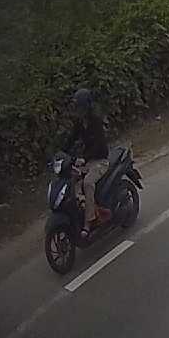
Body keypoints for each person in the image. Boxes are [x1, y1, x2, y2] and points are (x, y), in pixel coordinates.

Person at [62, 88, 110, 234]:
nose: (77, 111)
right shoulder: (80, 122)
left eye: (80, 108)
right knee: (73, 182)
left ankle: (89, 222)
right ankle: (87, 209)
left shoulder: (96, 121)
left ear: (86, 107)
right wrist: (61, 152)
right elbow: (71, 138)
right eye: (76, 108)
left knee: (88, 183)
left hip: (100, 160)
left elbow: (99, 145)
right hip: (88, 162)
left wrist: (84, 158)